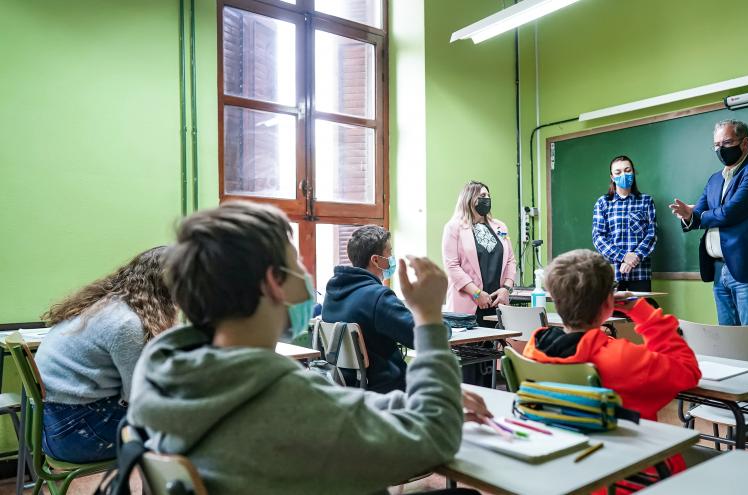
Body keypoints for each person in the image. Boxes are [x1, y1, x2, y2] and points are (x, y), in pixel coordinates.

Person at [127, 201, 489, 494]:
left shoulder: (166, 373)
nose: (305, 271)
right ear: (274, 282)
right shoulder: (285, 401)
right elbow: (437, 436)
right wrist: (427, 317)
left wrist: (415, 401)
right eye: (296, 260)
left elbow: (337, 410)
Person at [522, 249, 701, 480]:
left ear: (556, 302)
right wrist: (640, 310)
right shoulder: (623, 359)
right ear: (609, 302)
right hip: (631, 475)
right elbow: (688, 370)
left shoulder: (533, 351)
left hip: (565, 473)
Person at [35, 246, 177, 463]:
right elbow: (137, 398)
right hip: (74, 432)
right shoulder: (127, 323)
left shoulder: (107, 305)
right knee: (189, 427)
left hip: (52, 421)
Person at [669, 119, 748, 328]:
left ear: (744, 143)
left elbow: (731, 212)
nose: (721, 149)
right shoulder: (715, 179)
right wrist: (688, 216)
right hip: (719, 269)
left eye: (726, 143)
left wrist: (697, 215)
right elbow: (698, 211)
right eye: (716, 145)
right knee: (727, 340)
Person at [322, 225, 425, 393]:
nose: (392, 258)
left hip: (348, 388)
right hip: (388, 390)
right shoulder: (378, 297)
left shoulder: (331, 294)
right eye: (389, 252)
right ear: (375, 260)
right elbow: (421, 337)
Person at [442, 180, 517, 326]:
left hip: (497, 303)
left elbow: (510, 260)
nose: (487, 199)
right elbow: (452, 266)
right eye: (482, 195)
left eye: (488, 195)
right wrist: (477, 293)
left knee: (497, 347)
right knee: (469, 348)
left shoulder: (500, 226)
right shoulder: (454, 227)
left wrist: (506, 289)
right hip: (469, 304)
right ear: (469, 198)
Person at [592, 155, 657, 292]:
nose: (624, 174)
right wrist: (623, 256)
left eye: (627, 170)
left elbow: (652, 234)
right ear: (612, 176)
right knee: (612, 313)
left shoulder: (646, 201)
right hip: (612, 274)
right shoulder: (603, 203)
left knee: (640, 312)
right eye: (618, 172)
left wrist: (634, 258)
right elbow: (598, 238)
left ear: (633, 172)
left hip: (640, 274)